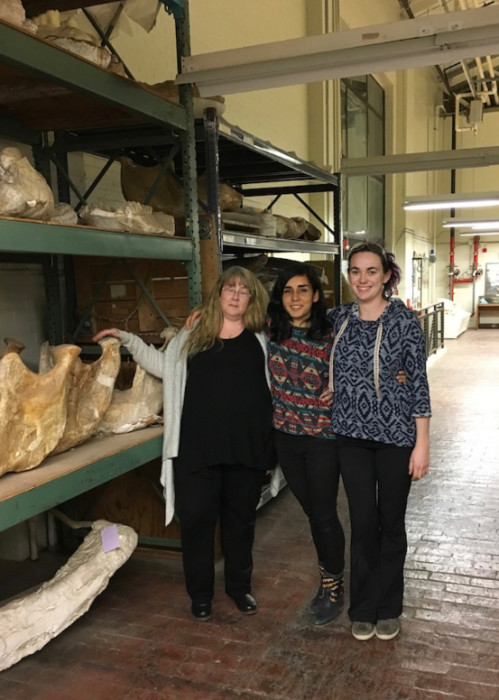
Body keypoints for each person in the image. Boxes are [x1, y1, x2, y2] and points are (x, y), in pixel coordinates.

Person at [93, 266, 280, 622]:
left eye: (244, 291)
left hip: (248, 448)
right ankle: (201, 594)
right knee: (196, 521)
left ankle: (239, 588)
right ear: (219, 294)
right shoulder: (194, 335)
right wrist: (128, 339)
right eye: (230, 288)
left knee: (241, 521)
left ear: (252, 299)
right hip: (197, 448)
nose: (236, 295)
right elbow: (163, 365)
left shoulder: (262, 338)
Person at [328, 242, 431, 642]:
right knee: (363, 522)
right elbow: (291, 325)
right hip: (350, 438)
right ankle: (362, 607)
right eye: (355, 271)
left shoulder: (404, 322)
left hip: (395, 438)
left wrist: (422, 443)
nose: (363, 279)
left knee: (391, 523)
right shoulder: (338, 319)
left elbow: (419, 383)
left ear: (386, 275)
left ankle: (389, 606)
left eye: (371, 271)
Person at [266, 263, 345, 627]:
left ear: (316, 295)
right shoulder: (270, 329)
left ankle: (332, 586)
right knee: (314, 513)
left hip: (322, 438)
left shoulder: (333, 332)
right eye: (288, 291)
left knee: (325, 514)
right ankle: (329, 576)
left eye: (302, 290)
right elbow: (231, 310)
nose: (295, 297)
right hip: (285, 436)